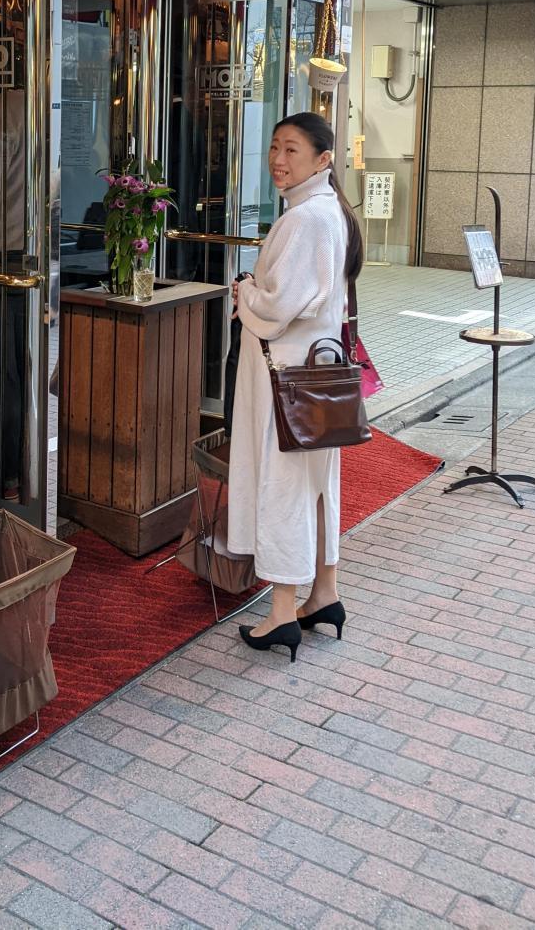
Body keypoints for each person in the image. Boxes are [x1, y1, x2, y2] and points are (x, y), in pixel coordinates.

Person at [227, 111, 363, 662]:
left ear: (323, 159)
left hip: (286, 375)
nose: (279, 161)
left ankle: (282, 612)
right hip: (319, 378)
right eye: (275, 148)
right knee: (317, 483)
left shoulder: (306, 219)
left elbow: (279, 305)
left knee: (283, 483)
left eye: (292, 151)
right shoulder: (329, 212)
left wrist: (245, 290)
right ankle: (323, 593)